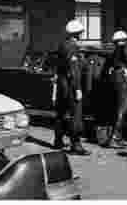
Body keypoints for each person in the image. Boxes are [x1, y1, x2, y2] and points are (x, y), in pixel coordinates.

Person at [52, 20, 91, 155]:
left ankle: (58, 140)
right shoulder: (73, 47)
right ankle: (76, 145)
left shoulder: (62, 45)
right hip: (71, 84)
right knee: (76, 114)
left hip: (62, 84)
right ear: (77, 33)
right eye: (80, 33)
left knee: (61, 112)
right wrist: (78, 88)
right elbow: (74, 70)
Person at [104, 30, 127, 149]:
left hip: (114, 79)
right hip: (122, 79)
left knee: (116, 109)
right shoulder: (125, 48)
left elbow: (110, 67)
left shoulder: (113, 51)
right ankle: (114, 138)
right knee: (122, 109)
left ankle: (117, 137)